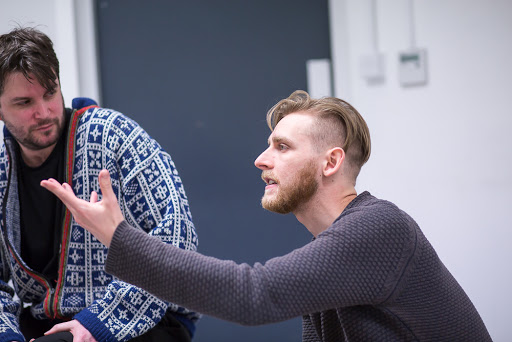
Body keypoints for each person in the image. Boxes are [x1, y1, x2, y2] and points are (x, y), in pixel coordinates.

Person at [42, 90, 492, 342]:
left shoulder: (379, 229)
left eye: (282, 147)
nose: (260, 159)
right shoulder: (338, 250)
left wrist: (119, 237)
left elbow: (253, 295)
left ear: (331, 162)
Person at [0, 27, 199, 342]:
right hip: (48, 325)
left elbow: (177, 237)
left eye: (50, 92)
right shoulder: (2, 169)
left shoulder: (115, 136)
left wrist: (98, 321)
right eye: (24, 102)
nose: (44, 112)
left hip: (144, 319)